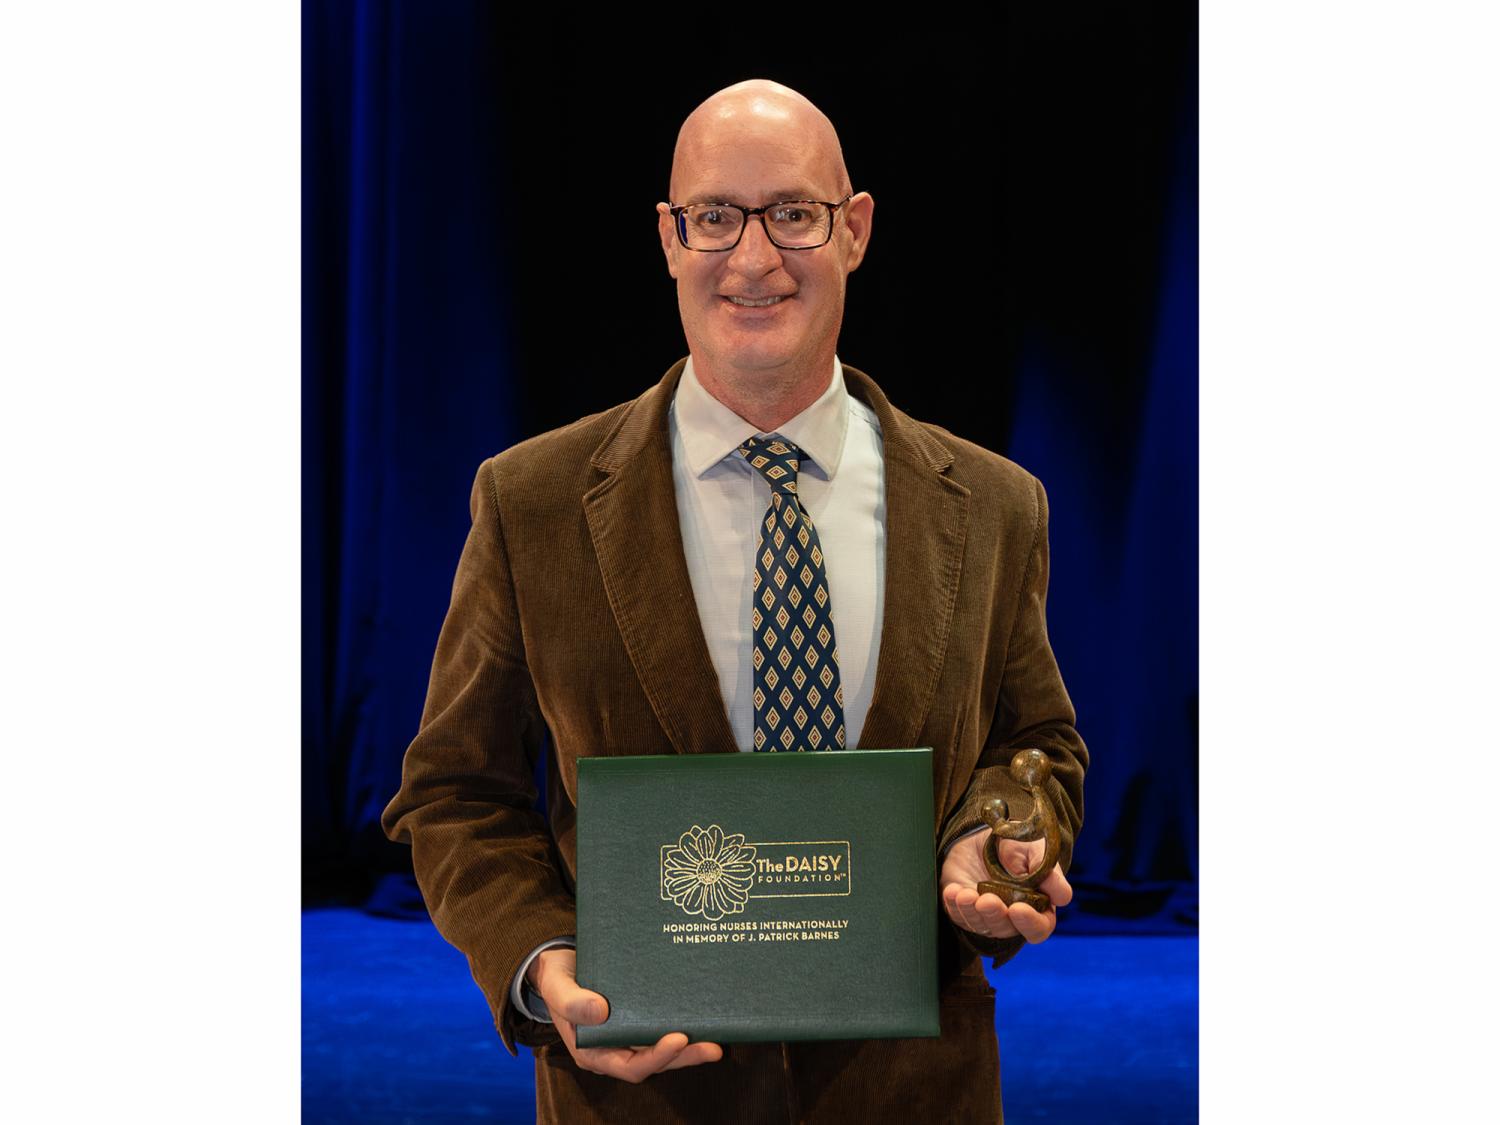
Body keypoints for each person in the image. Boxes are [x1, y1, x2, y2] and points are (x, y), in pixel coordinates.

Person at [382, 79, 1086, 1124]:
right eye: (714, 218)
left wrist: (1000, 839)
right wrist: (543, 965)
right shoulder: (531, 503)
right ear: (668, 238)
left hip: (915, 1094)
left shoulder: (992, 506)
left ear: (855, 230)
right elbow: (454, 793)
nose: (753, 259)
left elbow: (1035, 746)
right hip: (638, 1097)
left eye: (793, 215)